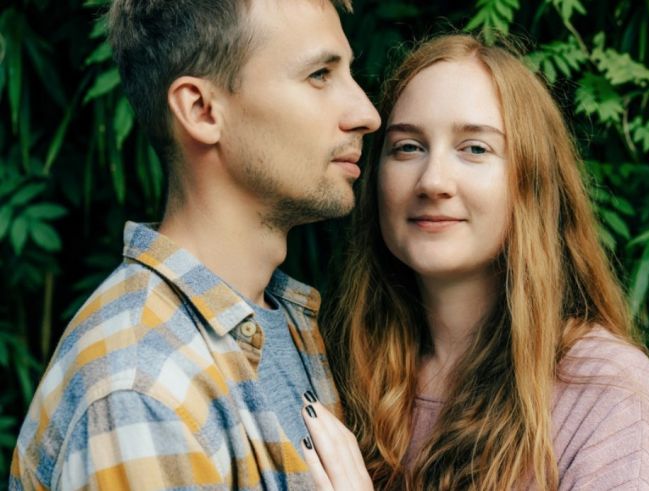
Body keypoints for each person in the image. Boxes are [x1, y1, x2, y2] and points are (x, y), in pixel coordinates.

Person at [10, 0, 379, 489]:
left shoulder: (281, 321)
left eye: (347, 73)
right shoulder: (145, 391)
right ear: (202, 110)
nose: (366, 114)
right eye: (319, 75)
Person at [305, 34, 649, 489]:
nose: (433, 181)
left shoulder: (600, 386)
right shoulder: (334, 363)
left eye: (475, 148)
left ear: (532, 183)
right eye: (407, 147)